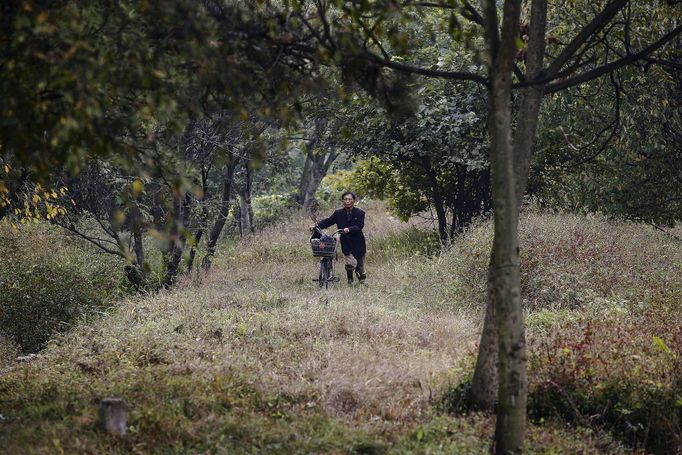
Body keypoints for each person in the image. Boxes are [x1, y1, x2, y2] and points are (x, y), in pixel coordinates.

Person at [312, 191, 366, 284]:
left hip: (358, 241)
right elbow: (328, 221)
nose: (347, 201)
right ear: (342, 201)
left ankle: (361, 279)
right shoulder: (338, 213)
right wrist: (316, 226)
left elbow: (360, 225)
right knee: (350, 263)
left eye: (350, 199)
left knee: (360, 266)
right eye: (345, 199)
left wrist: (349, 229)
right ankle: (350, 280)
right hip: (346, 241)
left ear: (354, 201)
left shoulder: (360, 212)